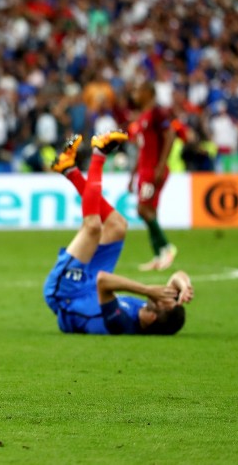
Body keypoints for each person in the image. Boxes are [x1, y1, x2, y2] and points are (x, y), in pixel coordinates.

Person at [45, 132, 193, 335]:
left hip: (67, 294)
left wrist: (148, 290)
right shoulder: (147, 310)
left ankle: (99, 152)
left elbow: (103, 281)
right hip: (89, 287)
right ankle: (68, 169)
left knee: (93, 227)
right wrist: (184, 286)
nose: (163, 297)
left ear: (151, 318)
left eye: (162, 302)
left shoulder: (120, 323)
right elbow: (178, 276)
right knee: (117, 225)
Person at [127, 83, 178, 271]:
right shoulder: (142, 117)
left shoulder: (158, 113)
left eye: (138, 90)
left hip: (153, 170)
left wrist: (160, 165)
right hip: (143, 170)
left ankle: (166, 247)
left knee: (142, 209)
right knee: (150, 211)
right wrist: (132, 175)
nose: (135, 94)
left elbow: (170, 135)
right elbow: (142, 149)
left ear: (148, 93)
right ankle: (158, 256)